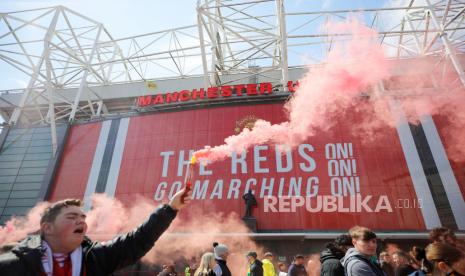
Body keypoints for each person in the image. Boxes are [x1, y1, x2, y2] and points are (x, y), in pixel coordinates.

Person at [0, 188, 191, 275]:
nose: (81, 221)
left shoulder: (95, 258)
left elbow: (136, 241)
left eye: (82, 217)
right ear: (47, 228)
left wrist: (171, 208)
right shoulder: (12, 266)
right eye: (71, 217)